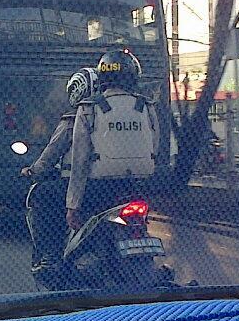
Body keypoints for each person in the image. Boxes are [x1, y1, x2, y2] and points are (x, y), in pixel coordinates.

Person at [65, 49, 159, 231]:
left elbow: (80, 160)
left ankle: (55, 257)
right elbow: (155, 146)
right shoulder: (146, 106)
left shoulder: (89, 108)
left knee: (87, 225)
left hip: (100, 187)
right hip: (139, 183)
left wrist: (72, 206)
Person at [21, 67, 99, 273]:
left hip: (83, 186)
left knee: (43, 195)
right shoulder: (115, 113)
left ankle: (50, 255)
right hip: (118, 184)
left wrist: (33, 170)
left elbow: (52, 152)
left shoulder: (74, 118)